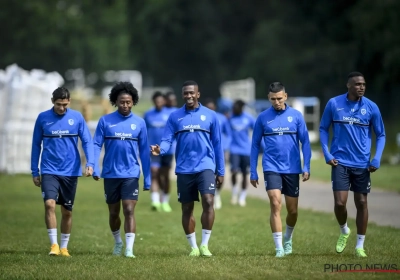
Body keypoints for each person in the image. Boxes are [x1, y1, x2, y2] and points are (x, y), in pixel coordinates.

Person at [150, 80, 224, 257]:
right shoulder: (175, 117)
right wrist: (161, 149)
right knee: (187, 208)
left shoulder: (211, 116)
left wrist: (220, 170)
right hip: (184, 169)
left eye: (192, 93)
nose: (189, 96)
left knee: (208, 200)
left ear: (198, 94)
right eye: (186, 93)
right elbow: (167, 140)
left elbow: (218, 144)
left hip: (206, 165)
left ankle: (205, 245)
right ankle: (193, 247)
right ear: (183, 95)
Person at [319, 72, 386, 258]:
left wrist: (377, 158)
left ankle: (359, 246)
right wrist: (327, 154)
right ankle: (344, 230)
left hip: (362, 164)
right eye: (357, 84)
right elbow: (323, 128)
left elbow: (381, 134)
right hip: (339, 162)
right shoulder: (334, 104)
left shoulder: (371, 107)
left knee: (362, 202)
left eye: (363, 84)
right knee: (340, 203)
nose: (361, 87)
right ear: (348, 85)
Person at [31, 87, 94, 257]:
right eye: (58, 104)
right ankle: (54, 246)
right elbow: (36, 145)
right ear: (53, 101)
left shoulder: (77, 117)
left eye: (64, 105)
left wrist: (91, 162)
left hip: (70, 171)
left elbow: (87, 141)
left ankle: (64, 247)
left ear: (69, 102)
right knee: (49, 204)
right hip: (49, 169)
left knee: (67, 211)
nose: (61, 108)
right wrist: (34, 171)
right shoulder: (43, 118)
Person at [250, 82, 311, 258]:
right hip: (271, 167)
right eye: (273, 99)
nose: (276, 102)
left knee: (292, 211)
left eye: (279, 98)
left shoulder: (296, 116)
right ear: (269, 98)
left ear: (285, 96)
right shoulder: (262, 118)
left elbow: (305, 142)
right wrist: (253, 171)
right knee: (275, 203)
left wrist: (306, 166)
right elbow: (254, 145)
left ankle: (288, 237)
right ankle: (279, 248)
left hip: (292, 168)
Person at [93, 82, 151, 258]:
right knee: (113, 212)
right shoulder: (105, 121)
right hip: (110, 174)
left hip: (131, 174)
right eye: (122, 102)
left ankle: (129, 249)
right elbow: (96, 144)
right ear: (115, 102)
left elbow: (144, 151)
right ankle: (118, 242)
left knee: (129, 209)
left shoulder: (139, 123)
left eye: (128, 102)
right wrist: (94, 166)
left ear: (133, 102)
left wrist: (147, 178)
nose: (125, 105)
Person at [143, 91, 173, 212]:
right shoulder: (148, 114)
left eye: (161, 101)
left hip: (168, 150)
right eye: (157, 101)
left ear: (164, 102)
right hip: (152, 150)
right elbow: (143, 131)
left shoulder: (170, 114)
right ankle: (155, 201)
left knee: (165, 176)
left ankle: (165, 201)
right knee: (154, 173)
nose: (159, 103)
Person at [204, 98, 231, 209]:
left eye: (212, 108)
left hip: (219, 151)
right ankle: (211, 195)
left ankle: (218, 193)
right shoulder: (202, 118)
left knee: (220, 174)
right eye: (208, 108)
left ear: (215, 108)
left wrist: (225, 147)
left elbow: (229, 134)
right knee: (208, 174)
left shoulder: (222, 118)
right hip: (206, 152)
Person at [228, 99, 255, 207]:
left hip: (246, 150)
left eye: (235, 108)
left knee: (245, 174)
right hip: (234, 149)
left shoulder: (248, 118)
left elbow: (257, 129)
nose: (233, 110)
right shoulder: (230, 118)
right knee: (234, 171)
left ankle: (242, 197)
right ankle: (234, 192)